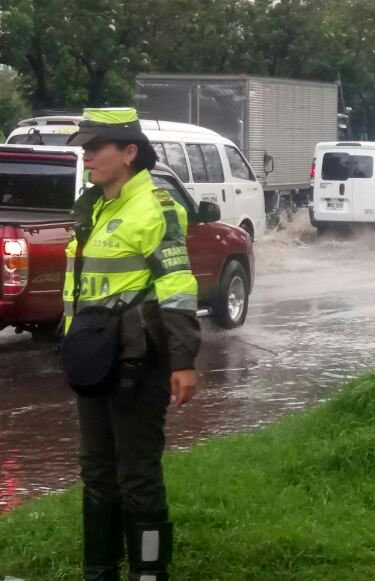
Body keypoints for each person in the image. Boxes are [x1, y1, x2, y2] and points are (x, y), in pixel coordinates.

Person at [63, 108, 200, 581]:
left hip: (139, 364)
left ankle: (148, 574)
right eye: (84, 148)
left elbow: (178, 286)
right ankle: (99, 571)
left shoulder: (157, 207)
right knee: (97, 473)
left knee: (136, 476)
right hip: (93, 362)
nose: (87, 157)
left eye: (95, 148)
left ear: (129, 152)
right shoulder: (96, 207)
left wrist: (183, 361)